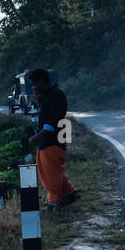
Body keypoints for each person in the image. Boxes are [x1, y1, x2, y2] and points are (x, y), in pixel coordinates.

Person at [28, 68, 78, 210]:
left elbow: (53, 121)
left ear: (43, 81)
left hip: (52, 141)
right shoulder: (48, 96)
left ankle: (53, 203)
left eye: (34, 84)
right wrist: (39, 102)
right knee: (54, 170)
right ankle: (70, 192)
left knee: (50, 175)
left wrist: (37, 137)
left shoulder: (56, 95)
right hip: (48, 142)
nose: (33, 87)